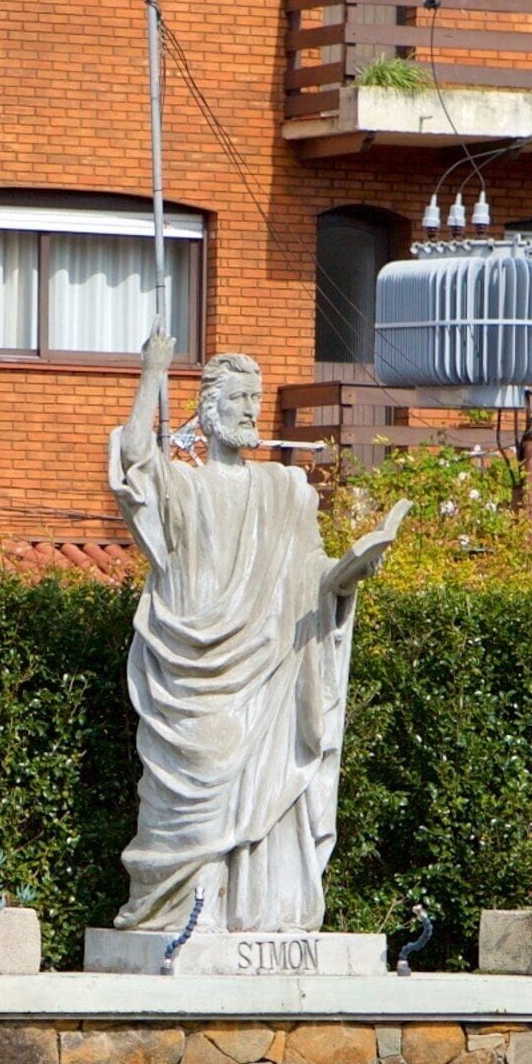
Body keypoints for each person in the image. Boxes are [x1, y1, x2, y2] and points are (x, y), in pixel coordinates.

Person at [106, 325, 405, 932]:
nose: (250, 410)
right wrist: (153, 374)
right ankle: (179, 913)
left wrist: (347, 572)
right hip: (193, 676)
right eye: (239, 399)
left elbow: (311, 576)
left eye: (254, 399)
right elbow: (136, 458)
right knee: (194, 787)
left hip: (268, 668)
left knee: (266, 792)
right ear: (208, 410)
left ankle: (250, 911)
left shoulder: (286, 489)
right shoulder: (183, 484)